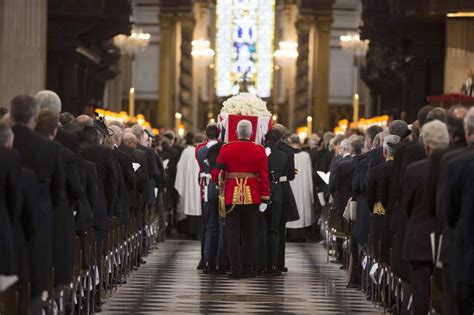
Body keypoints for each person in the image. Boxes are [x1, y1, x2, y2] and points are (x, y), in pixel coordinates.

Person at [10, 95, 65, 313]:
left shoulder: (7, 140)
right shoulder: (50, 149)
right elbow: (58, 189)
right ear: (34, 117)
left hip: (7, 221)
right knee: (34, 282)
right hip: (39, 223)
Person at [212, 120, 270, 279]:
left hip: (231, 195)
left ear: (237, 132)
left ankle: (236, 270)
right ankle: (249, 268)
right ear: (251, 133)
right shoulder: (259, 150)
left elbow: (216, 172)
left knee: (231, 234)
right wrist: (265, 198)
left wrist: (220, 183)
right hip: (253, 196)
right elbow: (264, 177)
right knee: (250, 234)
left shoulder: (226, 148)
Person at [402, 120, 450, 315]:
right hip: (446, 237)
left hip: (420, 235)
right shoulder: (455, 166)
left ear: (426, 144)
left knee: (420, 291)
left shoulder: (414, 170)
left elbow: (406, 204)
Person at [256, 129, 287, 275]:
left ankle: (261, 264)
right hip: (277, 193)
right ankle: (273, 265)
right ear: (279, 140)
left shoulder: (259, 153)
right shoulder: (283, 156)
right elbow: (286, 175)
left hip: (261, 192)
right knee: (274, 230)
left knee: (261, 229)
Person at [196, 124, 220, 273]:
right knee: (216, 225)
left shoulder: (200, 150)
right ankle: (215, 258)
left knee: (207, 225)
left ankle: (205, 258)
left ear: (206, 135)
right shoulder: (222, 148)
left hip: (205, 188)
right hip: (218, 187)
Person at [272, 124, 296, 272]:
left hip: (268, 188)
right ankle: (279, 263)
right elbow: (291, 176)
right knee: (280, 229)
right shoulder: (289, 151)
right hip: (283, 189)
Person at [286, 135, 314, 240]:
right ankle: (302, 234)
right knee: (302, 207)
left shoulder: (287, 154)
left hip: (292, 185)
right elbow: (309, 174)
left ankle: (290, 235)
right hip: (303, 187)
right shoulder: (306, 156)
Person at [175, 133, 203, 235]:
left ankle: (190, 232)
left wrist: (182, 184)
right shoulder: (205, 151)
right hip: (202, 186)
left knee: (190, 204)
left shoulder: (186, 152)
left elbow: (180, 168)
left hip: (189, 187)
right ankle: (199, 232)